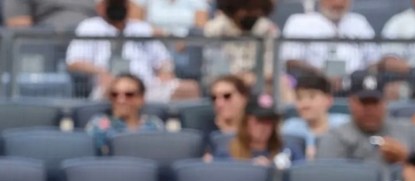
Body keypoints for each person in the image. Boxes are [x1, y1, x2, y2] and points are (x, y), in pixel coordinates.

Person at [65, 0, 200, 102]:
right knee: (118, 90)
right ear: (100, 7)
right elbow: (73, 63)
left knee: (190, 89)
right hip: (112, 87)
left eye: (121, 3)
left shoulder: (141, 28)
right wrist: (101, 71)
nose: (118, 6)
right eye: (113, 3)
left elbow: (163, 60)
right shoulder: (90, 27)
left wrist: (165, 71)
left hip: (146, 87)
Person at [317, 69, 415, 165]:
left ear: (385, 103)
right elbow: (326, 176)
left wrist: (407, 159)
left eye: (375, 103)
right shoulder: (335, 137)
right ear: (351, 103)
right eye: (365, 103)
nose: (370, 110)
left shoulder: (409, 132)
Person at [280, 0, 378, 87]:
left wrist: (359, 77)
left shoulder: (359, 22)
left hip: (357, 87)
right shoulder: (299, 22)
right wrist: (321, 73)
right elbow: (290, 61)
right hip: (313, 85)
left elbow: (374, 60)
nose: (338, 3)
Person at [202, 0, 278, 91]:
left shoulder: (267, 29)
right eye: (245, 8)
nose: (250, 13)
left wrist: (253, 77)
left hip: (259, 85)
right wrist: (236, 79)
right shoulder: (216, 29)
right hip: (224, 85)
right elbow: (213, 68)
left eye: (255, 9)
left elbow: (272, 68)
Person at [85, 73, 166, 155]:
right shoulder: (99, 125)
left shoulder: (154, 125)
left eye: (129, 95)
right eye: (115, 95)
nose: (121, 100)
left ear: (141, 98)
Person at [213, 95, 303, 167]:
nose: (264, 127)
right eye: (259, 121)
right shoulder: (226, 153)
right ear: (246, 122)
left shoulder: (289, 151)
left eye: (269, 122)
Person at [281, 73, 349, 160]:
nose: (305, 104)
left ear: (328, 100)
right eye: (299, 98)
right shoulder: (289, 128)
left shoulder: (343, 126)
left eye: (312, 97)